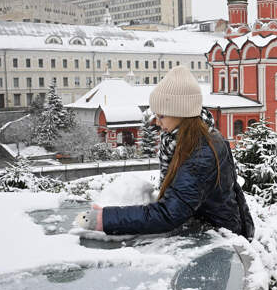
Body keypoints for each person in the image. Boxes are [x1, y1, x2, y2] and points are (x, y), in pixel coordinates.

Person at [76, 66, 254, 240]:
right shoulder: (193, 139)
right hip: (210, 229)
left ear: (181, 113)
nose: (157, 122)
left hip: (219, 238)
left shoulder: (202, 153)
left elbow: (169, 214)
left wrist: (104, 219)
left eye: (162, 116)